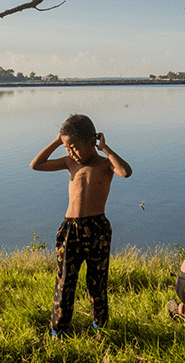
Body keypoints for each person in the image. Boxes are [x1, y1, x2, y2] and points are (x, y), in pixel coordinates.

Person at [30, 114, 133, 337]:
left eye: (74, 147)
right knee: (65, 279)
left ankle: (100, 324)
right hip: (70, 229)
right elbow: (36, 165)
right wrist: (58, 141)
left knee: (97, 280)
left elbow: (125, 172)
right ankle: (60, 329)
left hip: (98, 228)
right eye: (67, 148)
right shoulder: (69, 163)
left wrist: (105, 149)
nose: (71, 152)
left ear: (91, 142)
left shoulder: (106, 164)